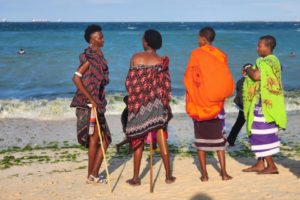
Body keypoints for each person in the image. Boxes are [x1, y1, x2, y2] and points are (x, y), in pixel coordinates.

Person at [125, 29, 176, 186]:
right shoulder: (161, 61)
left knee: (138, 139)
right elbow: (166, 86)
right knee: (161, 139)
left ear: (146, 42)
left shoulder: (135, 58)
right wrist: (165, 106)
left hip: (138, 105)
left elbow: (129, 83)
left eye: (143, 38)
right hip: (157, 104)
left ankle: (136, 178)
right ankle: (168, 176)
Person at [184, 27, 234, 181]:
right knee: (220, 141)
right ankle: (224, 173)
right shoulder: (221, 55)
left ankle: (204, 175)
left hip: (200, 104)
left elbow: (190, 77)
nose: (197, 41)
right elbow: (222, 78)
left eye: (198, 38)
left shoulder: (196, 53)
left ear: (203, 39)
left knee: (201, 142)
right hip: (217, 105)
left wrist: (193, 95)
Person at [70, 24, 111, 183]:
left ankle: (91, 175)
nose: (103, 39)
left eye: (102, 36)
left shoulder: (98, 56)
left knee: (97, 140)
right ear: (92, 41)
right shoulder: (90, 57)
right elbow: (76, 78)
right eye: (99, 37)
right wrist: (92, 99)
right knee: (103, 140)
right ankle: (93, 175)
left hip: (95, 103)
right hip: (89, 104)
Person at [242, 35, 287, 174]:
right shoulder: (274, 61)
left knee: (258, 133)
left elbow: (256, 76)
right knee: (260, 131)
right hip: (270, 102)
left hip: (265, 105)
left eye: (260, 45)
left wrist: (248, 67)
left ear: (268, 47)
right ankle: (260, 164)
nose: (257, 48)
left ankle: (272, 166)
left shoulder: (267, 61)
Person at [227, 63, 251, 146]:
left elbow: (238, 93)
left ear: (243, 72)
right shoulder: (252, 81)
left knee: (238, 124)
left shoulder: (240, 81)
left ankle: (230, 140)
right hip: (247, 107)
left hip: (242, 106)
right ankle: (254, 141)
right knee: (251, 125)